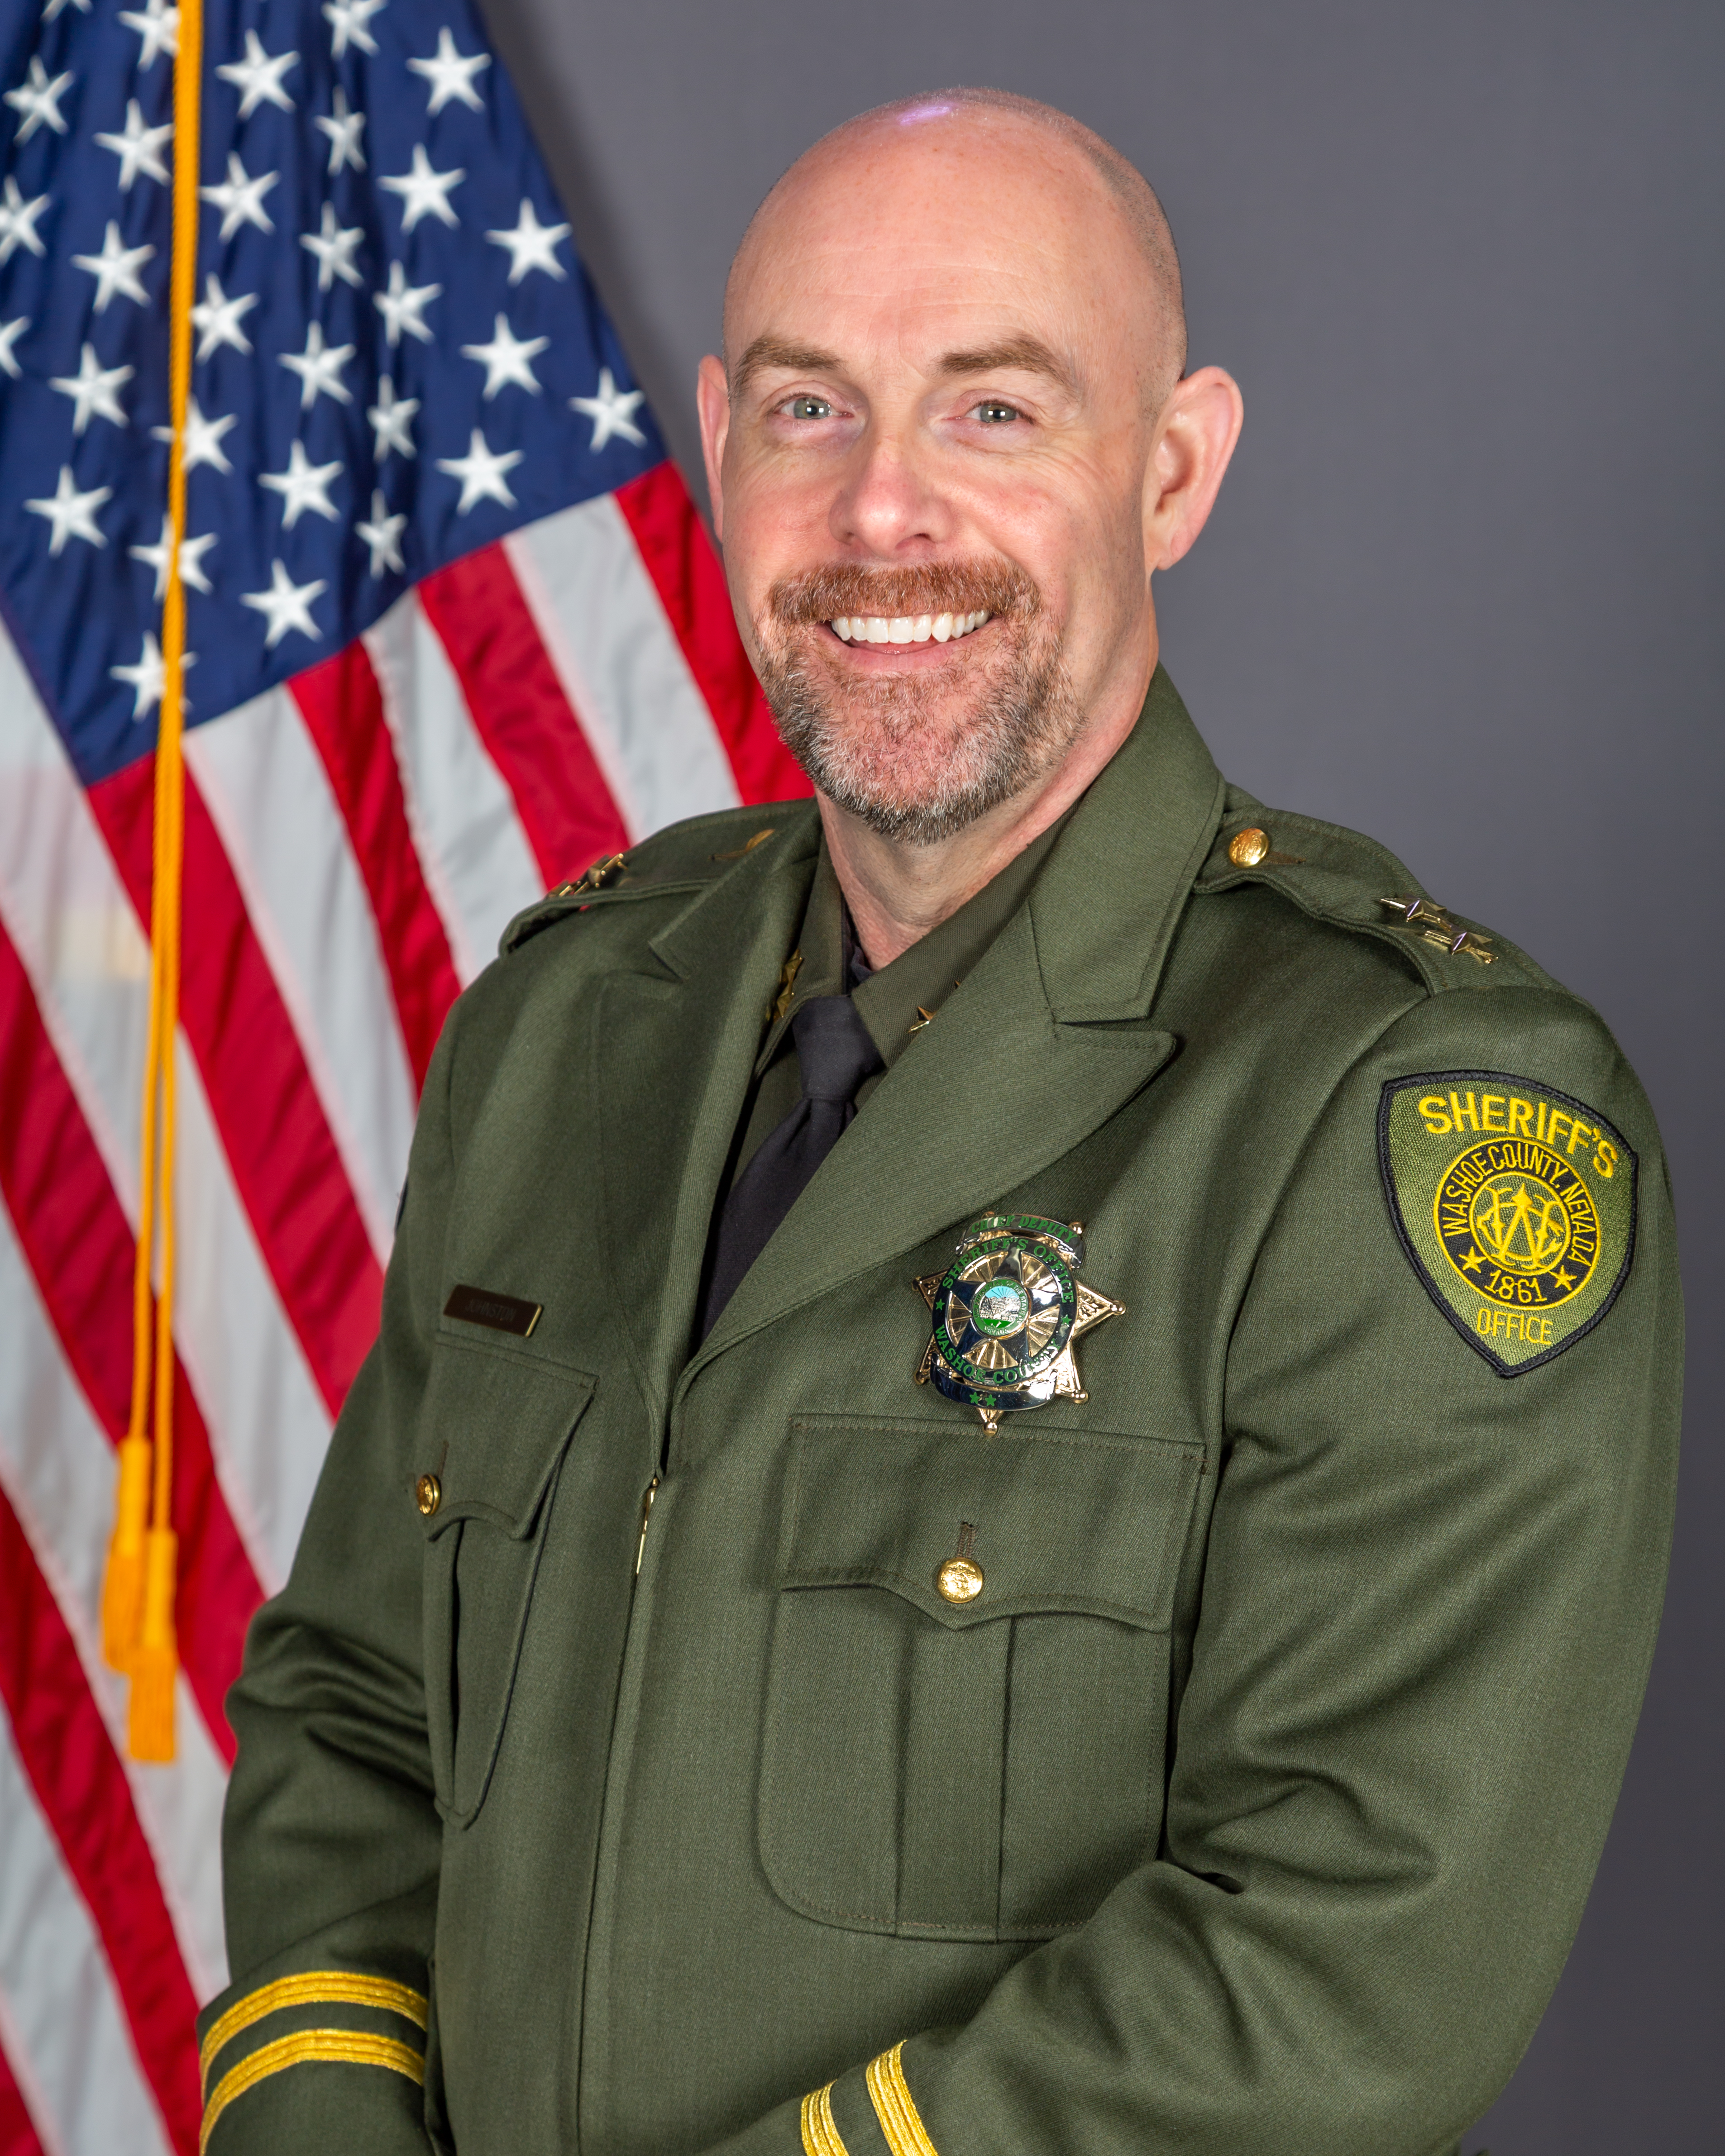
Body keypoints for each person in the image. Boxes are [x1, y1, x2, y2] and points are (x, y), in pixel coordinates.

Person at [200, 88, 1681, 2156]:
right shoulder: (563, 1026)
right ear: (719, 441)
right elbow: (359, 1711)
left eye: (992, 411)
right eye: (808, 408)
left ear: (1170, 472)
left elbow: (1346, 1963)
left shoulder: (1395, 1111)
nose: (879, 512)